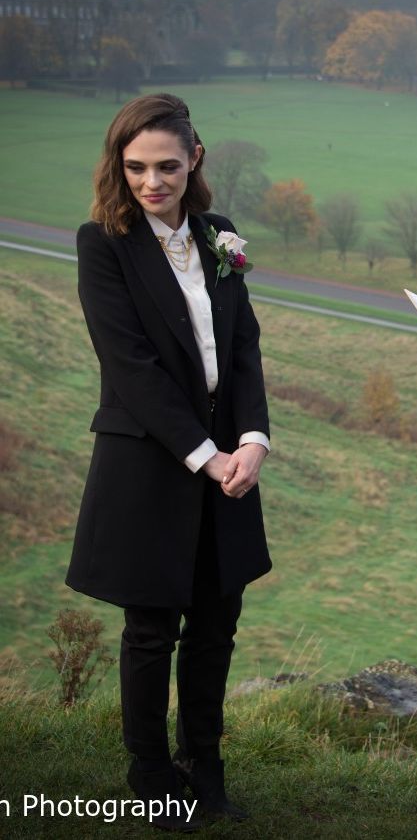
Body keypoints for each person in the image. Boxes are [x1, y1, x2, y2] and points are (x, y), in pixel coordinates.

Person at [66, 93, 271, 831]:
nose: (151, 182)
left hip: (231, 465)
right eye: (136, 167)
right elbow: (131, 367)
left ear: (195, 160)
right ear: (118, 167)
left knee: (217, 625)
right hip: (151, 462)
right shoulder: (104, 243)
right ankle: (150, 775)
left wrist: (253, 439)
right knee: (152, 631)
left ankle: (204, 767)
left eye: (167, 167)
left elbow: (243, 347)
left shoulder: (219, 235)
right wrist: (206, 456)